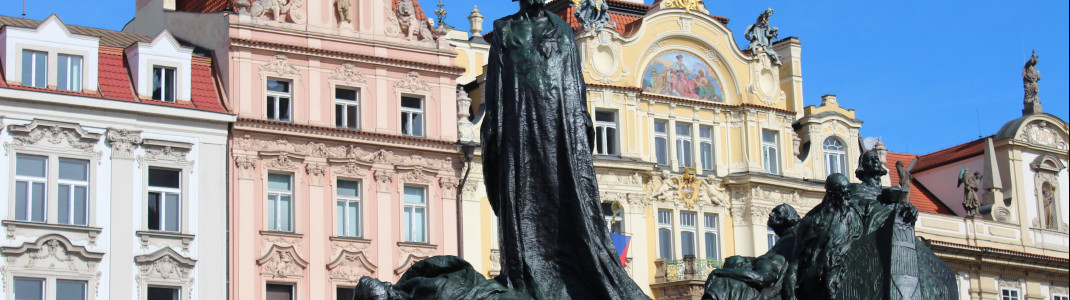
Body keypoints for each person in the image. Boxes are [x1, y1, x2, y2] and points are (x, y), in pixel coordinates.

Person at [481, 0, 649, 298]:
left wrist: (578, 125)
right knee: (522, 193)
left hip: (556, 123)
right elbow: (494, 89)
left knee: (563, 193)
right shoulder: (504, 30)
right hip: (518, 125)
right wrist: (493, 129)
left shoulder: (561, 29)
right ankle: (527, 271)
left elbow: (574, 83)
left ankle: (567, 270)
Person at [703, 204, 800, 300]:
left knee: (722, 285)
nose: (771, 215)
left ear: (788, 218)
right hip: (760, 285)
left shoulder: (793, 237)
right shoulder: (782, 242)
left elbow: (763, 278)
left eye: (777, 212)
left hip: (767, 285)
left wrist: (720, 272)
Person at [794, 174, 863, 300]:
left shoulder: (854, 214)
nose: (848, 196)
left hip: (844, 273)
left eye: (848, 191)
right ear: (831, 193)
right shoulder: (812, 219)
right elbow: (798, 253)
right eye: (843, 192)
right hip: (813, 277)